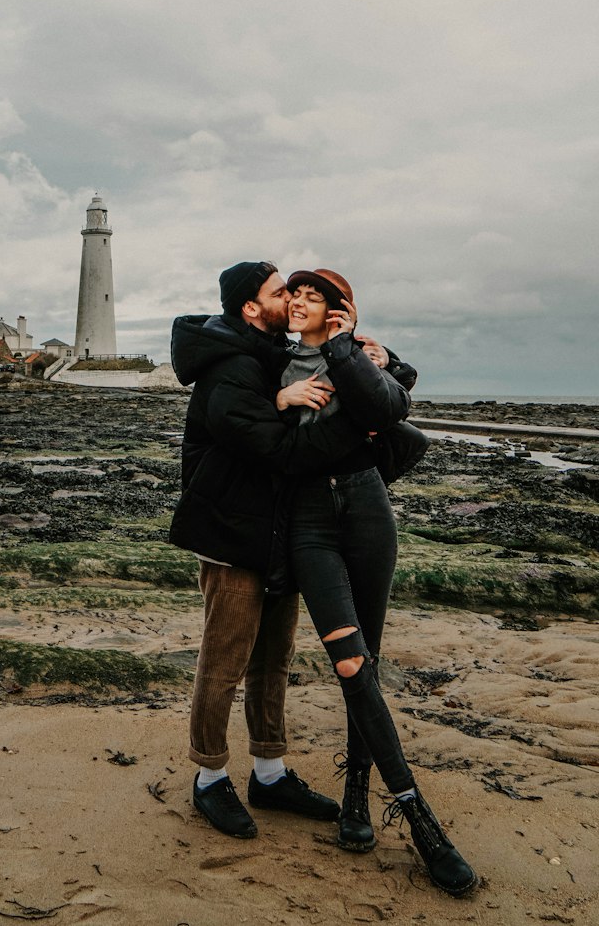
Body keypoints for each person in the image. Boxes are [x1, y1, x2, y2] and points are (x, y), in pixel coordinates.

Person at [169, 260, 417, 842]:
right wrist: (341, 422)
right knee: (225, 661)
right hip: (233, 534)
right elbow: (282, 450)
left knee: (273, 658)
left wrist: (383, 361)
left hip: (277, 532)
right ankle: (209, 778)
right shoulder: (230, 368)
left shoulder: (273, 352)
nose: (291, 297)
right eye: (279, 291)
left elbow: (363, 375)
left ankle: (269, 771)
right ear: (253, 308)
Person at [280, 267, 477, 897]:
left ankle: (357, 792)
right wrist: (283, 399)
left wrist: (349, 348)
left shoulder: (360, 355)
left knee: (370, 659)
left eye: (313, 298)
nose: (298, 303)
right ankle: (423, 823)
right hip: (308, 520)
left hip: (366, 510)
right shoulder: (270, 361)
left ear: (339, 311)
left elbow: (390, 405)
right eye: (295, 294)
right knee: (348, 665)